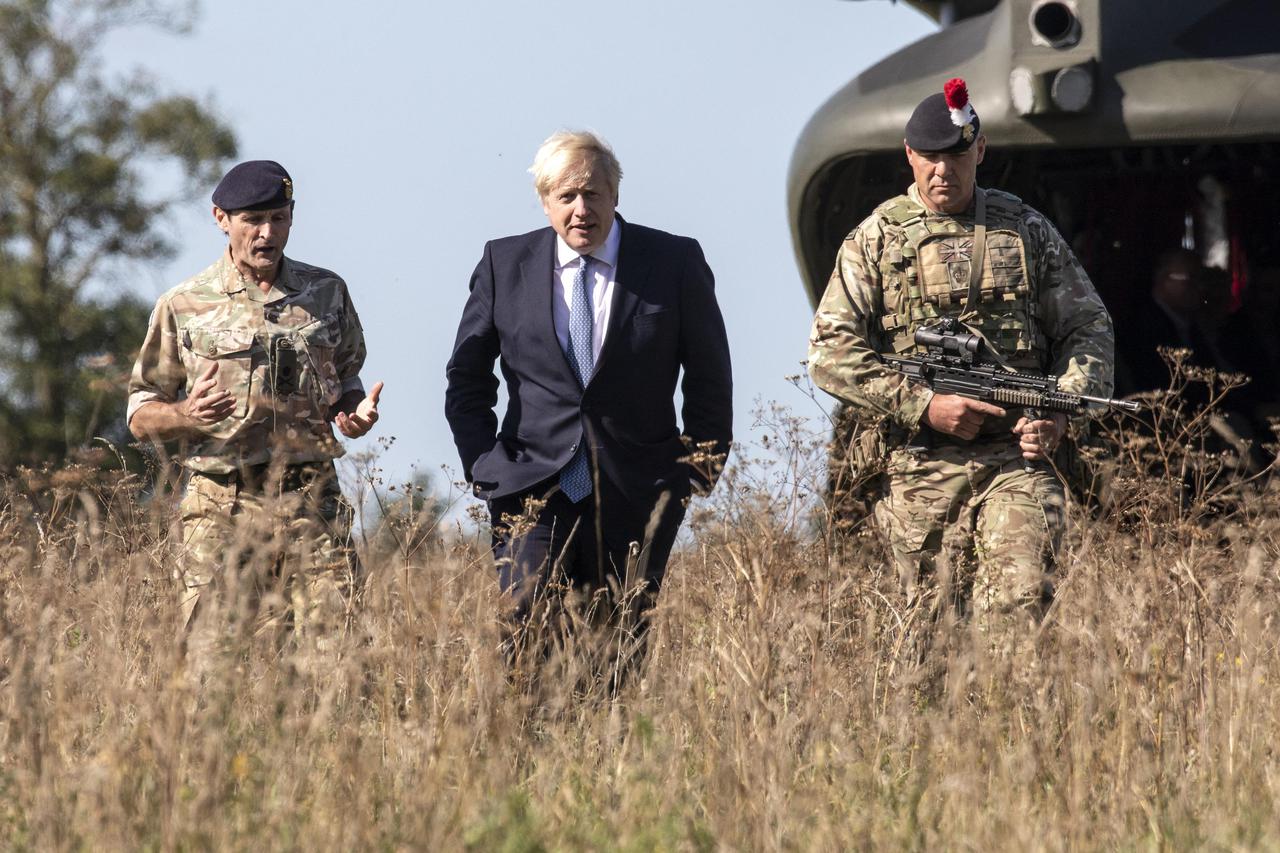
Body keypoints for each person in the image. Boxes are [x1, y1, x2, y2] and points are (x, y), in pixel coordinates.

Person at [807, 79, 1114, 648]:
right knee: (927, 632)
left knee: (1018, 610)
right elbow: (830, 353)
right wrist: (925, 404)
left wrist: (1063, 413)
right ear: (909, 156)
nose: (941, 171)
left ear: (979, 149)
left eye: (953, 156)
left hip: (1017, 457)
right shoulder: (874, 241)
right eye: (928, 158)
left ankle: (1008, 729)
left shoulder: (1026, 231)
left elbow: (1087, 327)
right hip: (919, 463)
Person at [445, 131, 732, 674]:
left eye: (593, 194)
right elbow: (466, 374)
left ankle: (606, 754)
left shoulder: (672, 261)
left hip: (637, 487)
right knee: (526, 623)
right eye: (567, 196)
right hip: (529, 485)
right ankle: (532, 745)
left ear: (615, 196)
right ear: (545, 201)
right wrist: (482, 463)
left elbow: (710, 374)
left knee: (618, 640)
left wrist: (696, 470)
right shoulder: (503, 263)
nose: (581, 210)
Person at [128, 159, 383, 661]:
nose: (268, 233)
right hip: (222, 503)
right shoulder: (183, 304)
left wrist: (354, 412)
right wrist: (185, 415)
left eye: (279, 218)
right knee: (210, 664)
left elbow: (346, 378)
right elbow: (140, 412)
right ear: (221, 218)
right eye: (253, 220)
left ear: (292, 216)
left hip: (312, 500)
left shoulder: (326, 293)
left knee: (337, 663)